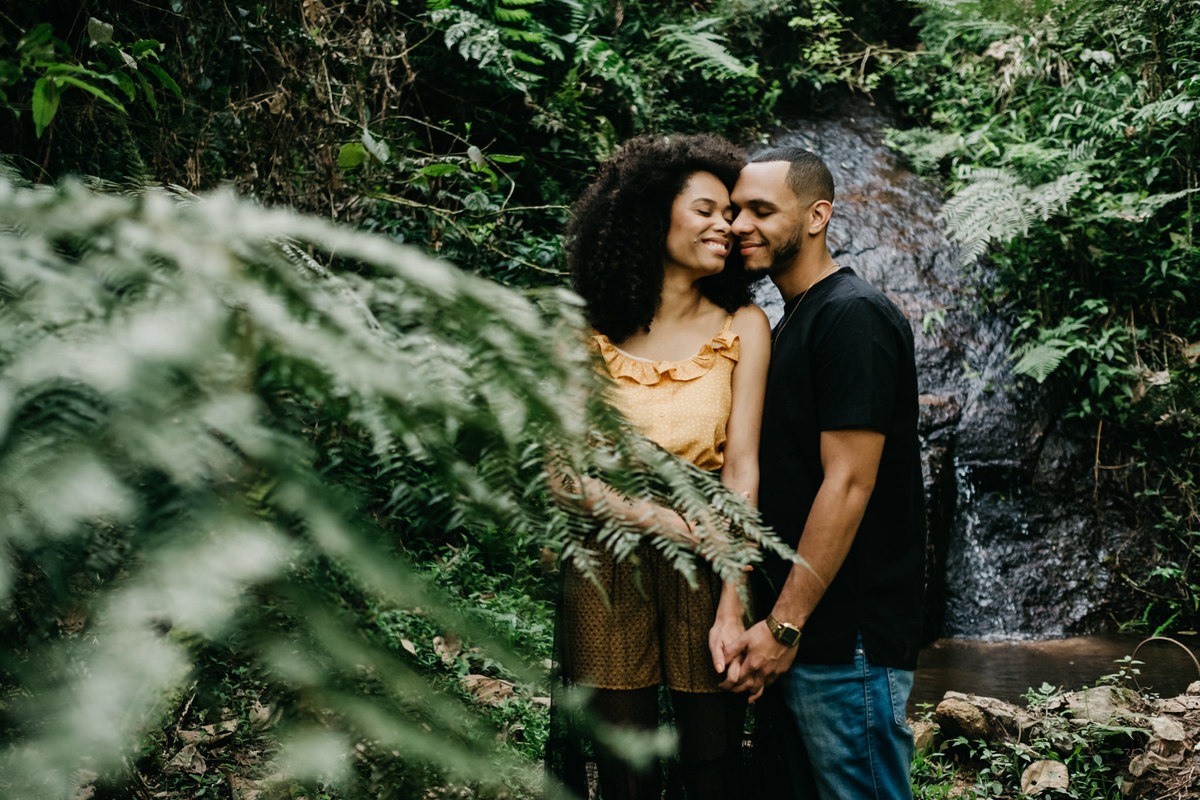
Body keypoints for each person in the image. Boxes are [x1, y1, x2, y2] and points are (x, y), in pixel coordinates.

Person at [549, 133, 771, 800]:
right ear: (652, 216)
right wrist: (661, 521)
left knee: (712, 762)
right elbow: (563, 474)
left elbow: (743, 474)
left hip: (712, 564)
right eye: (707, 210)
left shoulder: (744, 325)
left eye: (730, 213)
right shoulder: (583, 330)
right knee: (624, 770)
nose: (727, 226)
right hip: (604, 560)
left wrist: (735, 602)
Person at [718, 147, 926, 799]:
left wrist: (784, 625)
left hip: (845, 644)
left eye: (759, 209)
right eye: (733, 211)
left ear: (817, 216)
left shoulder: (851, 316)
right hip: (810, 642)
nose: (739, 225)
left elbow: (849, 483)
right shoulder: (791, 324)